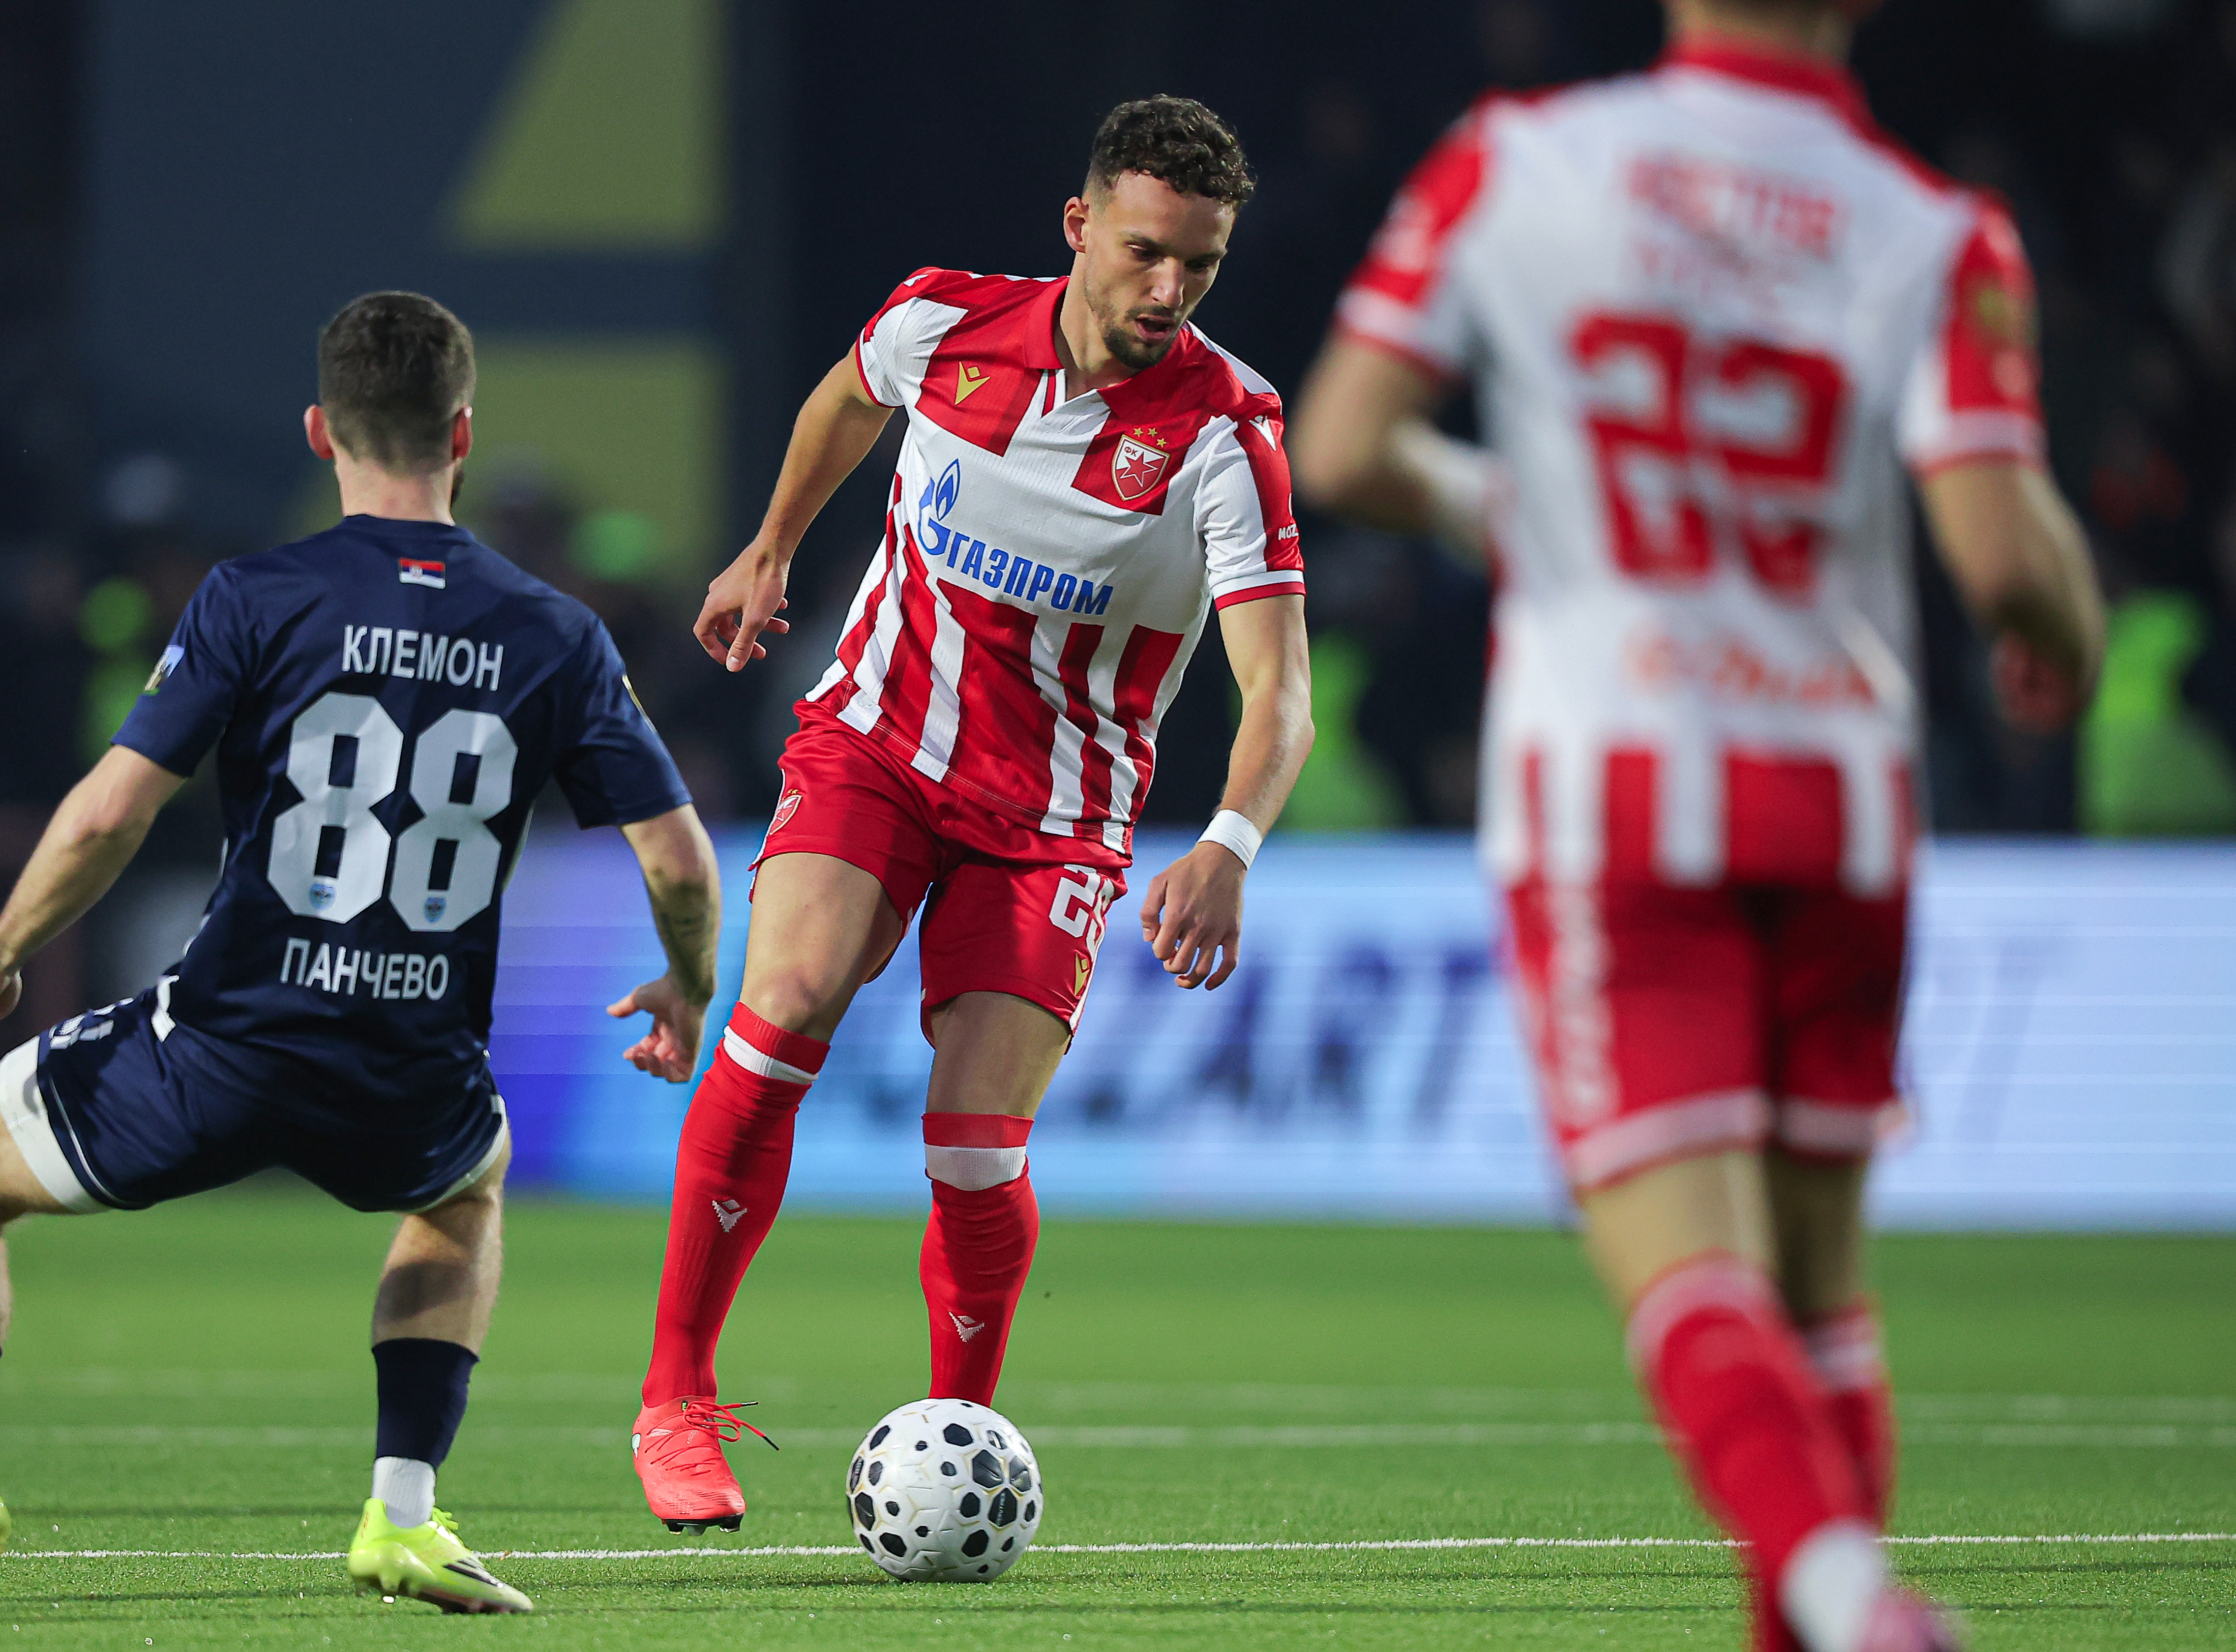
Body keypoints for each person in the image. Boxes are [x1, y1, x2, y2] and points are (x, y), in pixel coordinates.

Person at [1291, 3, 2103, 1649]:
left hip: (1613, 783)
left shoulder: (1512, 163)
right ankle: (1824, 1598)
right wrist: (2063, 639)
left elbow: (1344, 444)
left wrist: (1494, 500)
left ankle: (1846, 1596)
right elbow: (2006, 563)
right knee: (1820, 1296)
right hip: (1841, 796)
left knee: (1686, 1274)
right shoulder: (1937, 227)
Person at [629, 94, 1314, 1533]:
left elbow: (1279, 694)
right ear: (1078, 228)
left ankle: (963, 1435)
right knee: (788, 1003)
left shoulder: (1226, 436)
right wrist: (769, 546)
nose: (1167, 291)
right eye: (1142, 254)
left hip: (1056, 815)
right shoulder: (941, 324)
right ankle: (675, 1398)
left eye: (1198, 265)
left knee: (972, 1142)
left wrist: (1229, 844)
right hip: (875, 739)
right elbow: (841, 401)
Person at [0, 293, 722, 1614]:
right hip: (408, 1060)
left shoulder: (257, 593)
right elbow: (678, 859)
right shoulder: (555, 630)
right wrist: (688, 978)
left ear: (323, 431)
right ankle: (400, 1515)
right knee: (461, 1194)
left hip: (224, 1040)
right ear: (461, 430)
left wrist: (11, 941)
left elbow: (110, 813)